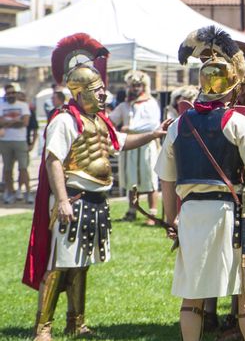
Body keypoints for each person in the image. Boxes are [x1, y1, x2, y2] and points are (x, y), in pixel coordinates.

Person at [23, 33, 167, 341]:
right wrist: (61, 200)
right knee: (60, 265)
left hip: (96, 202)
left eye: (103, 90)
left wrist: (154, 134)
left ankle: (76, 322)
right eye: (98, 90)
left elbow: (123, 142)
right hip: (73, 201)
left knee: (81, 265)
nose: (104, 95)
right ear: (81, 91)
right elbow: (53, 161)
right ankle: (43, 328)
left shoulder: (100, 121)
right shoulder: (64, 120)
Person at [157, 26, 245, 341]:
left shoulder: (178, 126)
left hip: (193, 215)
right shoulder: (237, 122)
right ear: (232, 86)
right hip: (229, 216)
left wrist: (171, 216)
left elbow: (167, 181)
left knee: (193, 294)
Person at [110, 70, 162, 225]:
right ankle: (132, 210)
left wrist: (130, 129)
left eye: (138, 85)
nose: (136, 88)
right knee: (131, 179)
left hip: (147, 145)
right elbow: (110, 120)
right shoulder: (124, 105)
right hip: (129, 146)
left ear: (144, 86)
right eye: (133, 85)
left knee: (149, 178)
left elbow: (153, 125)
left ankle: (152, 213)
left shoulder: (151, 103)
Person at [1, 83, 32, 204]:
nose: (11, 95)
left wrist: (7, 122)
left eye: (13, 92)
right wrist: (15, 120)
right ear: (6, 95)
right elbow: (0, 123)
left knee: (23, 168)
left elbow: (24, 122)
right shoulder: (1, 105)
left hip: (20, 140)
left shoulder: (23, 105)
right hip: (5, 141)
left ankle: (28, 192)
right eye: (9, 93)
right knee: (8, 169)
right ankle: (10, 191)